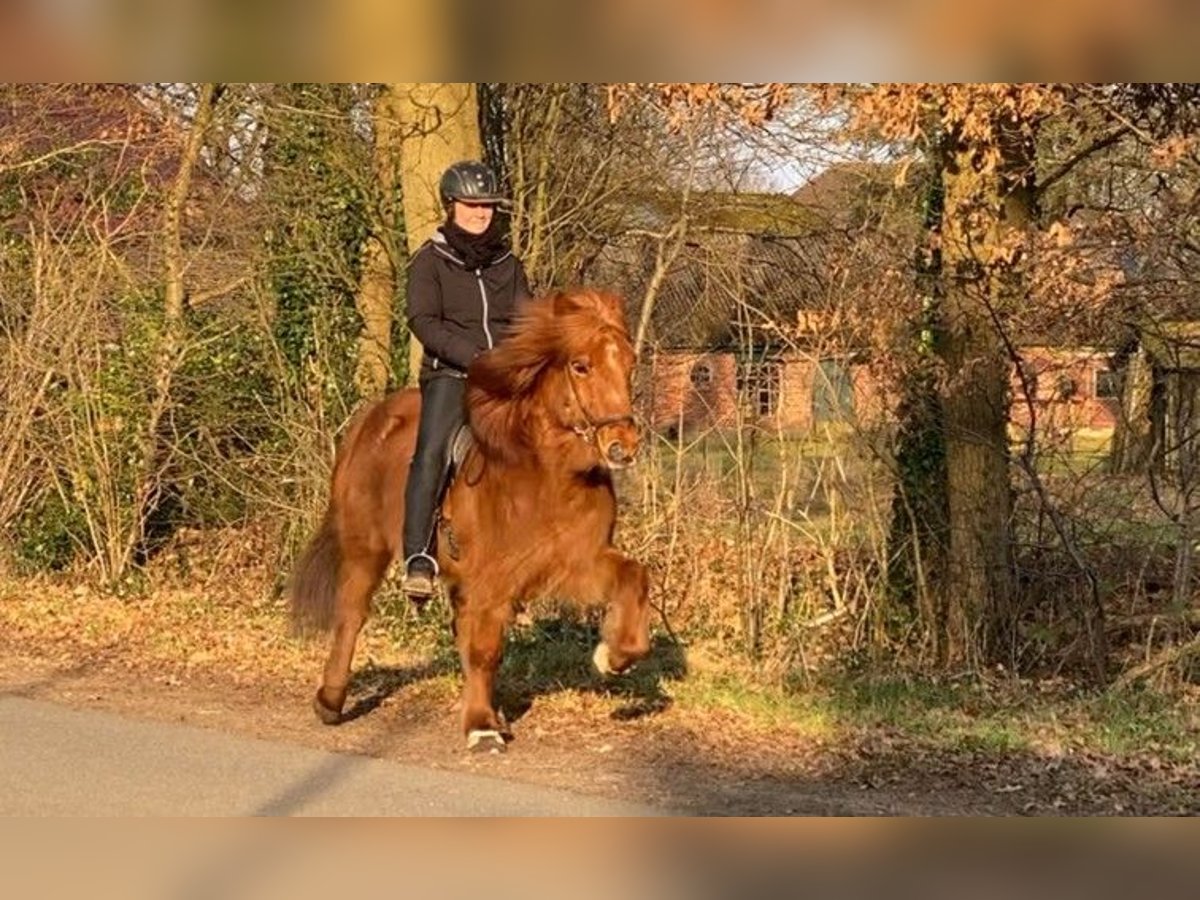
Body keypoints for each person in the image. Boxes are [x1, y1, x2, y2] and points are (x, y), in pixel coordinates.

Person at [400, 160, 532, 603]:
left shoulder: (509, 263)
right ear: (451, 205)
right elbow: (423, 320)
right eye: (472, 205)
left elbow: (526, 321)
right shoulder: (429, 261)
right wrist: (475, 359)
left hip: (506, 378)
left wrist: (523, 362)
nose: (481, 213)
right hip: (451, 375)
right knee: (430, 454)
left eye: (488, 206)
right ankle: (419, 557)